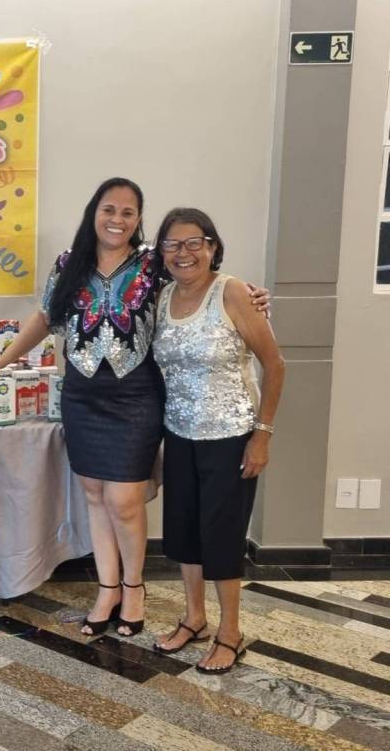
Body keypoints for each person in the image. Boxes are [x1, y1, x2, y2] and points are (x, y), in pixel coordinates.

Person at [0, 177, 268, 638]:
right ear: (95, 212)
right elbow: (46, 316)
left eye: (128, 212)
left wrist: (252, 296)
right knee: (94, 494)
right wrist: (4, 359)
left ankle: (134, 588)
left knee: (126, 501)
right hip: (82, 394)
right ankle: (107, 589)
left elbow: (199, 282)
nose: (117, 219)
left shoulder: (153, 262)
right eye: (109, 209)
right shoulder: (70, 263)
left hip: (136, 395)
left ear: (138, 219)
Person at [150, 208, 284, 673]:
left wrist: (262, 436)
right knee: (184, 533)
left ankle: (231, 632)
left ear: (212, 247)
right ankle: (195, 619)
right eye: (172, 244)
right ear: (162, 252)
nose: (183, 253)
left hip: (231, 437)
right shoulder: (162, 297)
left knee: (222, 537)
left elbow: (275, 364)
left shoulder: (233, 292)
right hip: (179, 434)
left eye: (194, 242)